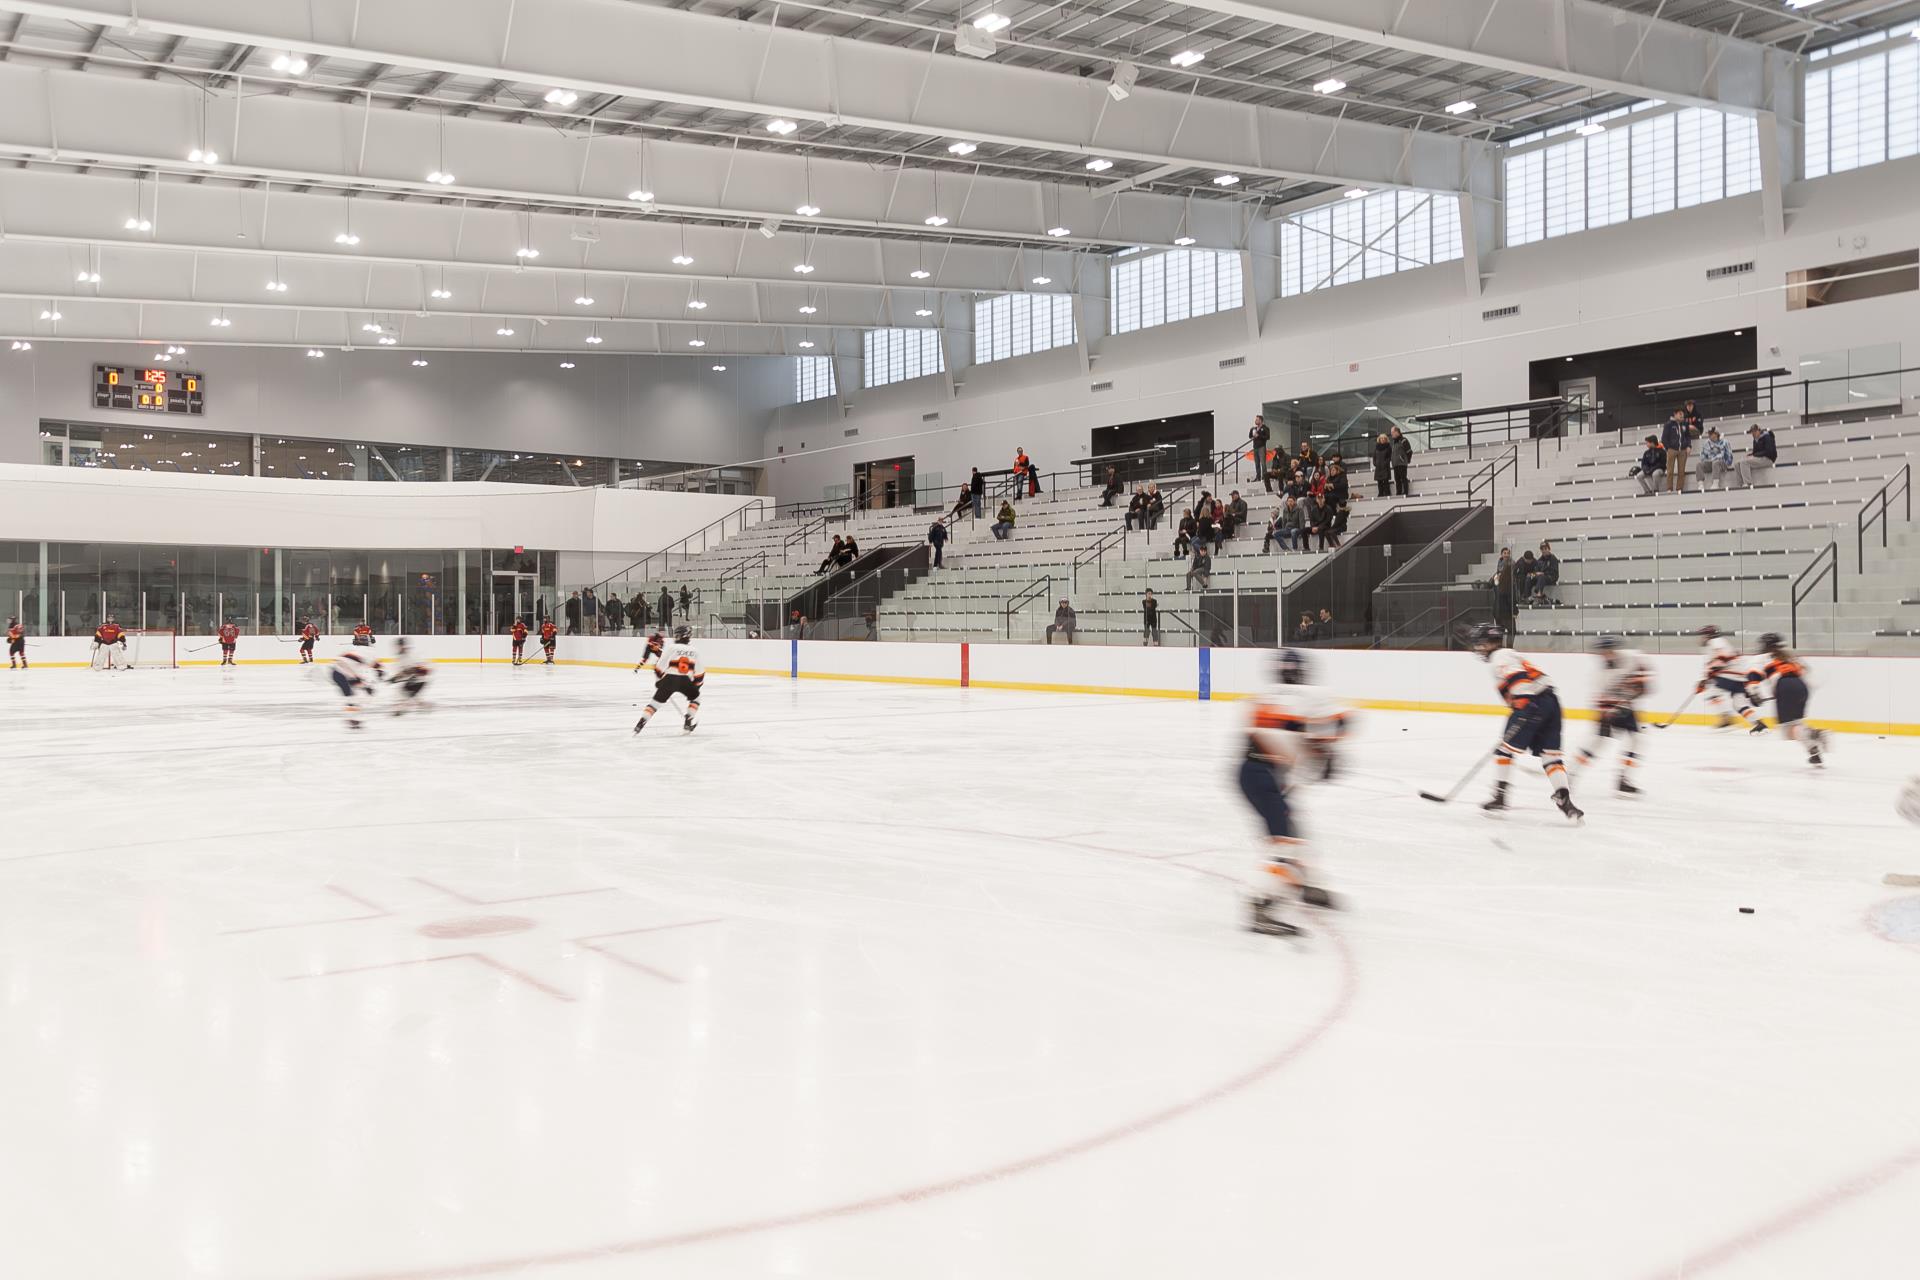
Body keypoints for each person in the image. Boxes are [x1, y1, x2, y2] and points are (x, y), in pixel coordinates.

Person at [1238, 649, 1346, 937]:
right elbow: (1341, 722)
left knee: (1292, 832)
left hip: (1254, 774)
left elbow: (1276, 736)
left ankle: (1302, 882)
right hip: (1265, 777)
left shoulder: (1266, 696)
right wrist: (1326, 754)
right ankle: (1261, 903)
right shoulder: (1309, 696)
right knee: (1285, 844)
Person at [1468, 623, 1582, 820]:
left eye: (1480, 643)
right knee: (1551, 756)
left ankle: (1500, 797)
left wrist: (1523, 705)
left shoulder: (1499, 657)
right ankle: (1565, 801)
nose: (1478, 648)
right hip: (1551, 703)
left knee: (1505, 750)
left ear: (1488, 643)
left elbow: (1517, 678)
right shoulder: (1510, 654)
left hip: (1531, 703)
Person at [1575, 636, 1650, 794]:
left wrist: (1636, 689)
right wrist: (1610, 712)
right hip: (1610, 710)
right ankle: (1571, 774)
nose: (1605, 654)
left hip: (1625, 709)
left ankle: (1623, 779)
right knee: (1597, 743)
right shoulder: (1600, 675)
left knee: (1637, 740)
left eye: (1607, 650)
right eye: (1602, 652)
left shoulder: (1630, 659)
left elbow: (1642, 678)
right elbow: (1601, 701)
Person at [1746, 633, 1829, 767]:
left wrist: (1753, 693)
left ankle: (1814, 733)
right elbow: (1806, 675)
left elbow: (1753, 675)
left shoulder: (1762, 657)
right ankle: (1814, 753)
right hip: (1801, 687)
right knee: (1796, 724)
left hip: (1785, 687)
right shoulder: (1791, 657)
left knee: (1787, 730)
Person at [634, 625, 703, 736]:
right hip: (685, 680)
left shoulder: (671, 648)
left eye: (677, 635)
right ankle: (688, 720)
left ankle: (640, 724)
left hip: (670, 679)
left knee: (654, 704)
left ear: (681, 636)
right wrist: (696, 686)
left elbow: (659, 666)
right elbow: (700, 673)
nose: (675, 637)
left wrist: (659, 681)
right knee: (696, 698)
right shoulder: (695, 651)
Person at [1696, 624, 1762, 732]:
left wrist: (1706, 679)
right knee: (1739, 704)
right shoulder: (1718, 642)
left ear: (1709, 635)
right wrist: (1705, 678)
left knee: (1711, 694)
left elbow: (1722, 658)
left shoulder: (1716, 641)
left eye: (1703, 635)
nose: (1702, 637)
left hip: (1730, 674)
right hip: (1739, 676)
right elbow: (1717, 661)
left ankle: (1726, 720)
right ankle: (1759, 724)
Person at [330, 646, 377, 731]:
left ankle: (352, 718)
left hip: (336, 672)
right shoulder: (358, 663)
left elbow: (354, 678)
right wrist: (366, 688)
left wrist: (365, 687)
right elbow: (355, 679)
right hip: (340, 675)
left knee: (352, 697)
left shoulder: (355, 654)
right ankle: (352, 719)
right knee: (352, 698)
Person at [387, 636, 433, 716]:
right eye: (398, 646)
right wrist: (394, 679)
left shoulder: (412, 655)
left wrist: (413, 672)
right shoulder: (401, 658)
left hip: (420, 679)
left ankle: (401, 709)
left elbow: (424, 669)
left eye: (400, 645)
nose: (399, 647)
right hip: (415, 679)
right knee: (409, 695)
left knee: (402, 693)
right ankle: (425, 706)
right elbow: (404, 672)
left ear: (404, 645)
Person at [1661, 409, 1694, 495]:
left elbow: (1688, 436)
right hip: (1672, 450)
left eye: (1683, 414)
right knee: (1670, 470)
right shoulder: (1668, 425)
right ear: (1675, 414)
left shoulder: (1685, 424)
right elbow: (1664, 438)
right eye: (1680, 414)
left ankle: (1679, 488)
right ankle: (1669, 488)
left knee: (1681, 471)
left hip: (1683, 450)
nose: (1682, 416)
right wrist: (1668, 448)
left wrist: (1689, 446)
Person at [1735, 422, 1776, 488]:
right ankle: (1740, 484)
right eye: (1752, 432)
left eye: (1754, 431)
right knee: (1737, 463)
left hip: (1768, 459)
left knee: (1744, 462)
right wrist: (1750, 455)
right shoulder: (1756, 439)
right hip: (1760, 458)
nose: (1753, 433)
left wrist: (1754, 455)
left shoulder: (1767, 437)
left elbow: (1769, 451)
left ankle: (1748, 483)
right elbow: (1755, 452)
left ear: (1759, 430)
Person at [1492, 548, 1515, 634]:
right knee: (1501, 630)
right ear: (1501, 554)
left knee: (1510, 630)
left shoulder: (1511, 563)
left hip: (1505, 611)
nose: (1506, 555)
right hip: (1500, 611)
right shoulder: (1500, 562)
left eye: (1508, 553)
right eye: (1504, 553)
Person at [1532, 541, 1561, 606]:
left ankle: (1539, 595)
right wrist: (1534, 574)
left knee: (1542, 576)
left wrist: (1543, 573)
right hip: (1541, 578)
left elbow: (1554, 572)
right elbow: (1536, 571)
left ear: (1549, 549)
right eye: (1542, 549)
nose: (1544, 551)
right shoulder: (1539, 560)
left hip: (1551, 577)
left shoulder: (1553, 558)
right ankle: (1526, 597)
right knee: (1529, 577)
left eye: (1545, 549)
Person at [1389, 426, 1413, 497]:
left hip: (1402, 464)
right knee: (1397, 479)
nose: (1391, 434)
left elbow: (1409, 451)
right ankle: (1398, 493)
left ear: (1397, 432)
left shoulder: (1403, 440)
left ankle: (1405, 492)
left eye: (1392, 432)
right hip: (1395, 464)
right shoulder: (1394, 443)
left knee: (1403, 478)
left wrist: (1406, 460)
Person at [1249, 415, 1272, 486]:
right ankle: (1258, 477)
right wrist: (1251, 431)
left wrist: (1259, 436)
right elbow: (1250, 436)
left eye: (1257, 420)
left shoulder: (1265, 428)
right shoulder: (1254, 428)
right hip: (1255, 447)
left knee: (1263, 463)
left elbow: (1267, 437)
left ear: (1261, 421)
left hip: (1262, 447)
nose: (1255, 421)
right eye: (1255, 419)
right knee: (1256, 463)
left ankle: (1265, 477)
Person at [1372, 432, 1393, 498]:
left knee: (1385, 480)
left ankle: (1387, 493)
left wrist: (1385, 463)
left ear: (1386, 439)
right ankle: (1380, 493)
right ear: (1379, 439)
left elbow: (1390, 457)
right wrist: (1375, 463)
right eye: (1381, 438)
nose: (1383, 439)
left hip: (1385, 467)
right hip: (1378, 467)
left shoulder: (1388, 447)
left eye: (1384, 438)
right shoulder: (1376, 447)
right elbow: (1374, 456)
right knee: (1379, 481)